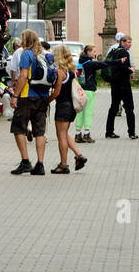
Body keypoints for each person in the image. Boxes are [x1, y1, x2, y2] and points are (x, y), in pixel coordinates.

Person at [9, 30, 54, 176]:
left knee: (18, 128)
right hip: (43, 97)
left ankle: (25, 161)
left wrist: (15, 95)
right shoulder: (46, 55)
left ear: (25, 40)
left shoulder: (27, 54)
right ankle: (40, 164)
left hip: (27, 96)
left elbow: (22, 76)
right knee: (39, 131)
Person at [49, 45, 87, 174]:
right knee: (64, 134)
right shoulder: (71, 70)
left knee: (61, 136)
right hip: (71, 106)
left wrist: (47, 100)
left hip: (63, 106)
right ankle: (79, 156)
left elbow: (57, 92)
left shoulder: (61, 71)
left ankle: (63, 164)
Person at [104, 34, 137, 139]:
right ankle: (131, 132)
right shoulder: (123, 52)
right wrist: (130, 70)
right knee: (129, 108)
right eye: (128, 42)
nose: (130, 44)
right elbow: (122, 67)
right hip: (123, 84)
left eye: (131, 42)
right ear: (122, 42)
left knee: (113, 107)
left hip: (115, 84)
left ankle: (109, 131)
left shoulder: (115, 51)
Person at [75, 45, 108, 144]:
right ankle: (87, 134)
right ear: (88, 52)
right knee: (88, 112)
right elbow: (105, 64)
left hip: (80, 90)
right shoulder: (90, 64)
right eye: (94, 51)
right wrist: (118, 61)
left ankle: (77, 134)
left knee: (80, 112)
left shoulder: (80, 62)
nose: (95, 53)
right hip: (89, 90)